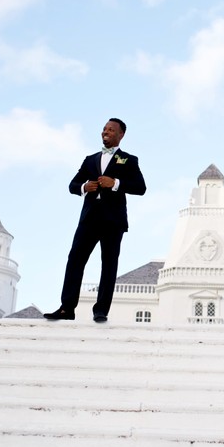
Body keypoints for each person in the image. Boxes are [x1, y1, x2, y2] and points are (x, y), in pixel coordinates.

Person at [44, 118, 146, 322]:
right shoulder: (90, 159)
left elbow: (140, 187)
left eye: (111, 129)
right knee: (75, 260)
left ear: (121, 135)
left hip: (113, 220)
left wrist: (115, 183)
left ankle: (101, 310)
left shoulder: (129, 159)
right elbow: (72, 185)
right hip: (89, 219)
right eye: (104, 129)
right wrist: (84, 187)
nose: (106, 132)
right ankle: (67, 308)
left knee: (108, 265)